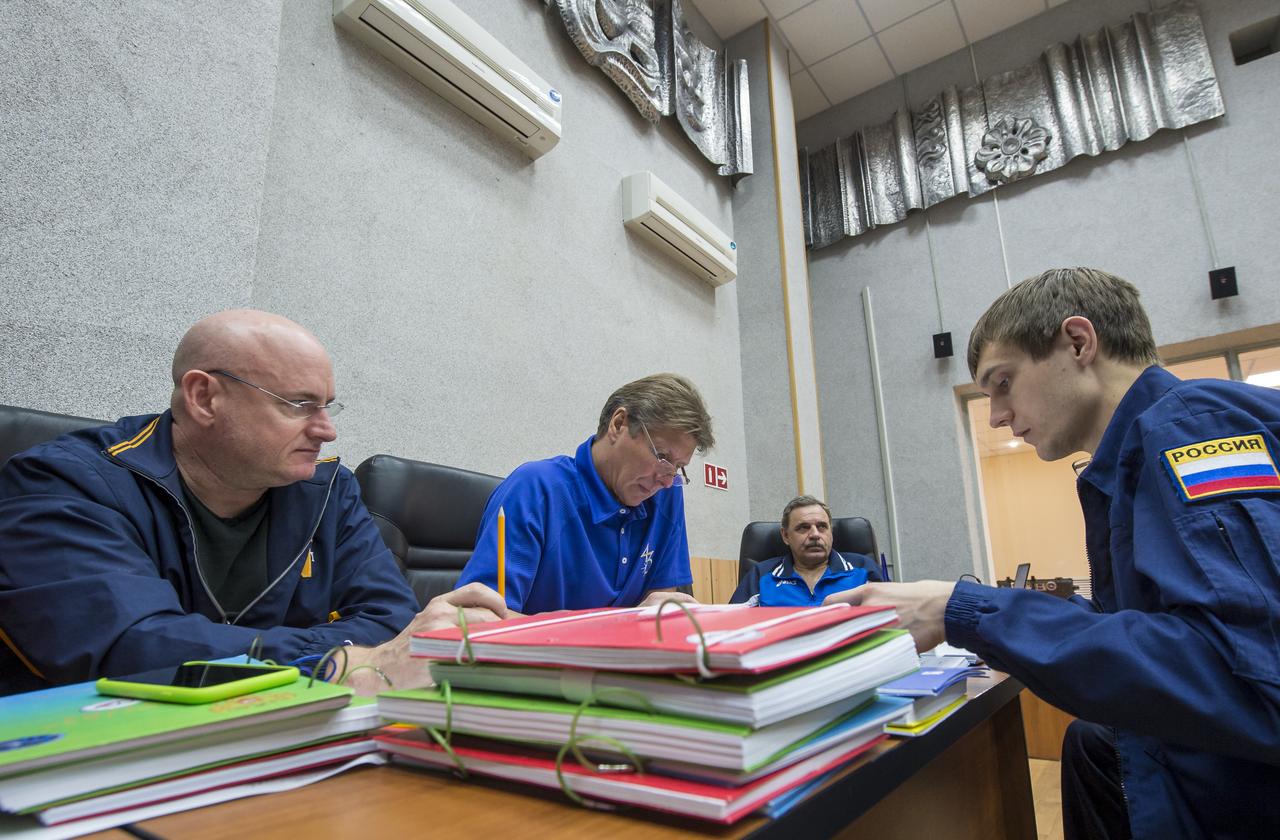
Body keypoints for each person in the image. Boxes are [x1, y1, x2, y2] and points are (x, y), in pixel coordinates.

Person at [825, 268, 1280, 839]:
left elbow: (1250, 676)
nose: (995, 415)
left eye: (1003, 382)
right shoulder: (1135, 453)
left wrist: (961, 610)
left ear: (1078, 342)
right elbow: (1159, 630)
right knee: (1089, 742)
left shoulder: (1191, 427)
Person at [0, 310, 507, 697]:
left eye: (327, 406)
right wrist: (336, 664)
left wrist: (339, 660)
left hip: (278, 742)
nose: (326, 430)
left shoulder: (327, 491)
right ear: (204, 398)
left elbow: (390, 617)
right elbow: (130, 646)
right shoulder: (63, 483)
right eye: (299, 404)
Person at [456, 373, 714, 613]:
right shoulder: (535, 491)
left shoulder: (666, 498)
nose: (667, 480)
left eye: (678, 467)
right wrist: (618, 629)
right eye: (662, 456)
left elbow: (661, 606)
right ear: (619, 423)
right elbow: (483, 621)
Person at [729, 495, 880, 606]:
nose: (815, 534)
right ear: (786, 535)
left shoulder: (863, 569)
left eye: (822, 527)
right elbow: (731, 624)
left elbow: (892, 618)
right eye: (803, 527)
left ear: (831, 532)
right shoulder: (761, 575)